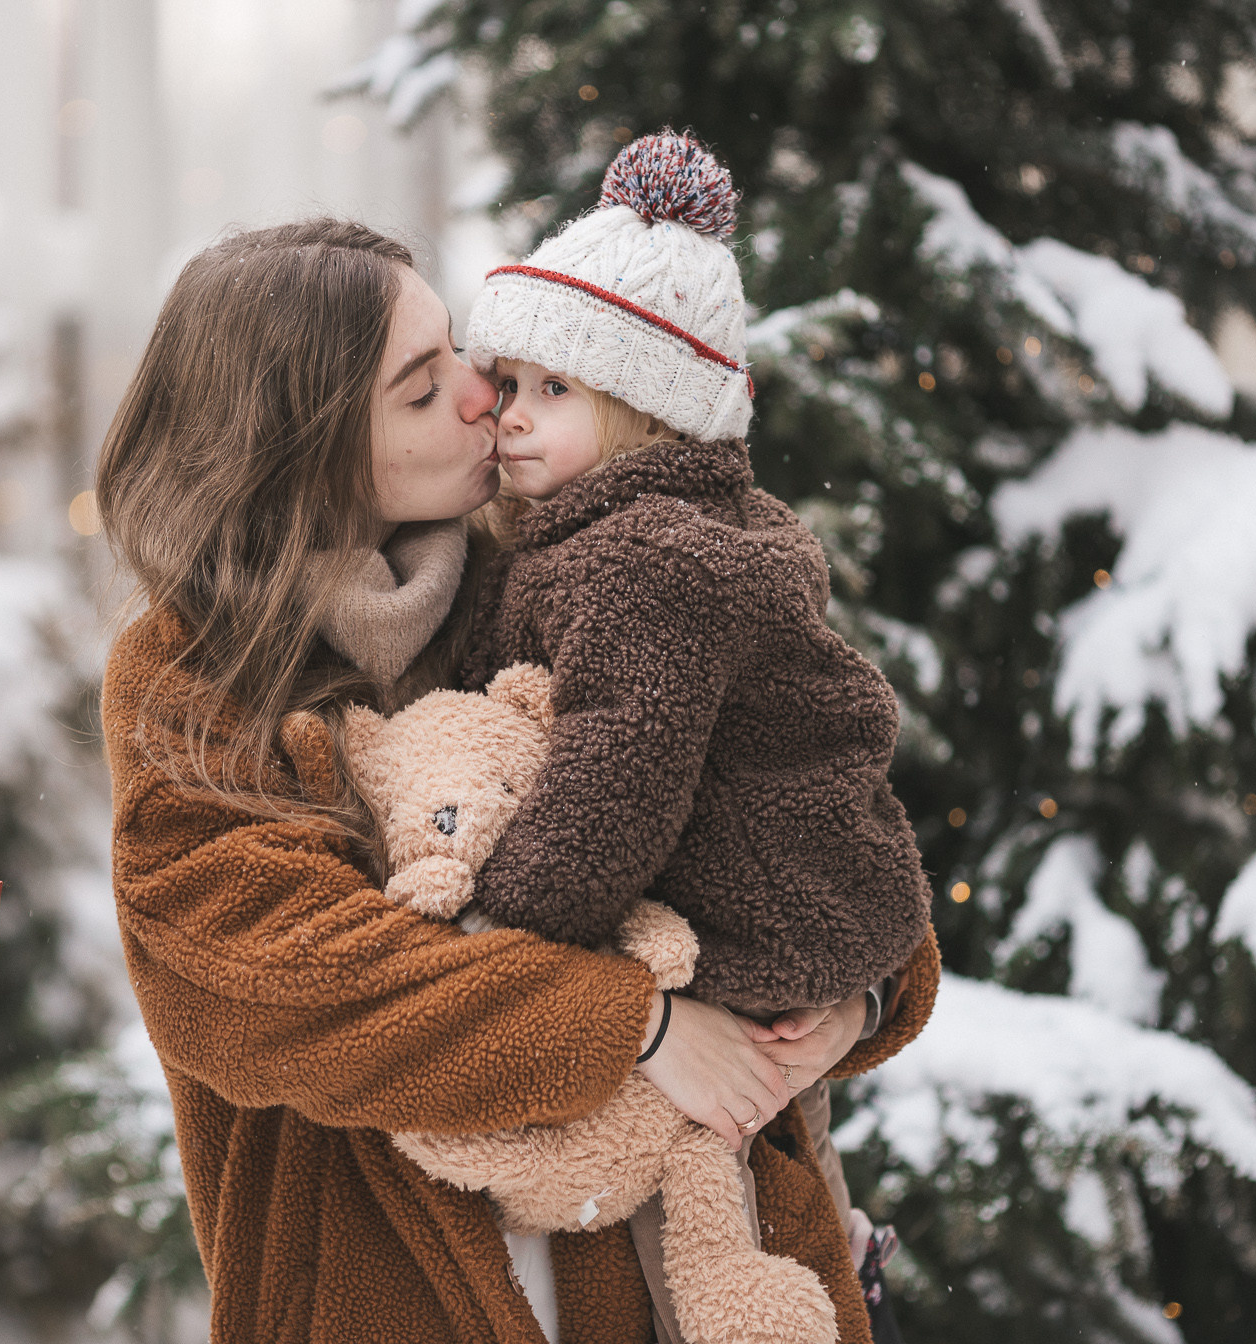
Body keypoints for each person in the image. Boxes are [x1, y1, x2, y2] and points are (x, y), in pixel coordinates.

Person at [95, 216, 938, 1343]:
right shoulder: (195, 678)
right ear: (305, 452)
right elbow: (274, 986)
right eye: (420, 388)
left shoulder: (566, 574)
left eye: (458, 347)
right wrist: (638, 1027)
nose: (480, 391)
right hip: (398, 1303)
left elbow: (804, 815)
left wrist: (848, 1000)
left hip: (685, 1281)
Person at [459, 131, 935, 1337]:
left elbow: (615, 777)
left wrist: (501, 928)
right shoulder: (662, 527)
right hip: (802, 917)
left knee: (714, 1220)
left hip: (749, 933)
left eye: (554, 391)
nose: (508, 418)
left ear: (647, 410)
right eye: (507, 383)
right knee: (775, 1177)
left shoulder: (640, 562)